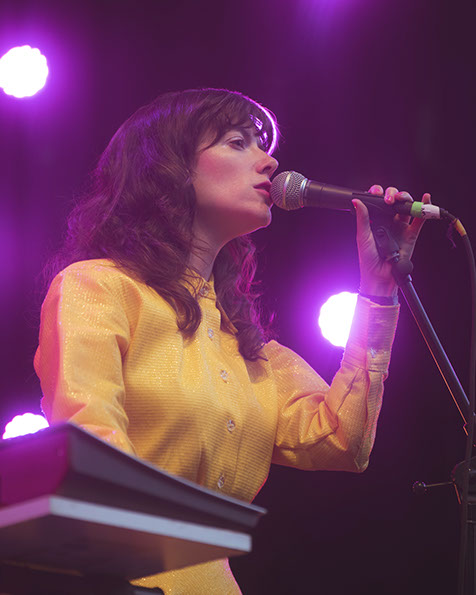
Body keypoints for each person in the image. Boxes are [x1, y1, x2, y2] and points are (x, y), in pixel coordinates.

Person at [34, 88, 430, 594]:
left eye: (262, 146)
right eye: (238, 142)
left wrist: (377, 291)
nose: (270, 162)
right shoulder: (98, 288)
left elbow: (345, 443)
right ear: (170, 168)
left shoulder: (247, 345)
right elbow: (91, 448)